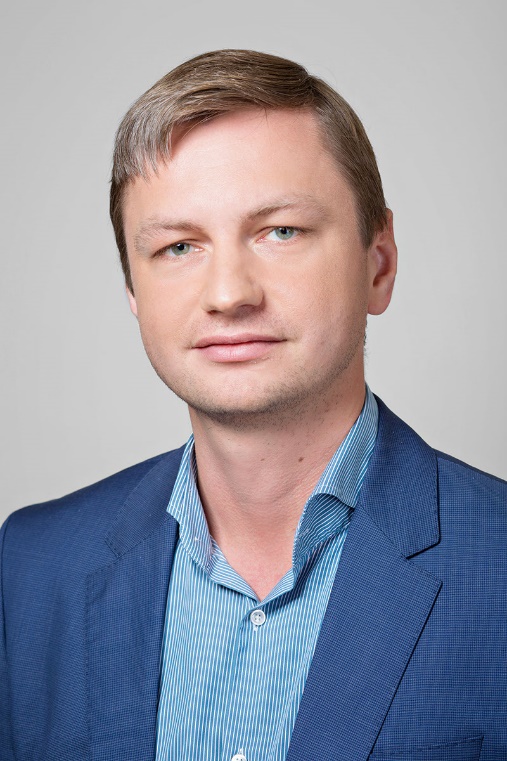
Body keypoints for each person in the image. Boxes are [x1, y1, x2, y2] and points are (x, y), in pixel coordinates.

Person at [1, 49, 505, 761]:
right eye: (179, 246)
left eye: (280, 232)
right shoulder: (32, 567)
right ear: (133, 292)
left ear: (379, 263)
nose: (229, 293)